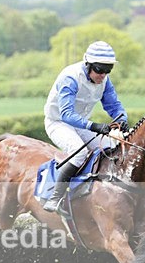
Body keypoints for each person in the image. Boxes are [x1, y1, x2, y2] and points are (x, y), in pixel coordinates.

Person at [42, 41, 128, 215]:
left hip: (80, 123)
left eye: (108, 70)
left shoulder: (104, 80)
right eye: (99, 69)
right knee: (79, 152)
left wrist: (121, 119)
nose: (103, 75)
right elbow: (66, 114)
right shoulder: (70, 77)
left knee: (111, 148)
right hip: (58, 122)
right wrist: (94, 126)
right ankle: (55, 197)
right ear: (88, 64)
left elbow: (113, 105)